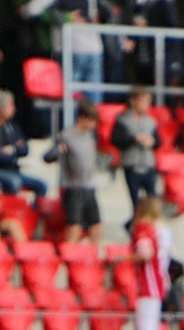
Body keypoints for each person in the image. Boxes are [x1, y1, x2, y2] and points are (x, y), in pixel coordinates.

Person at [44, 100, 102, 244]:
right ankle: (70, 256)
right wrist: (58, 151)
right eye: (91, 121)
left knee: (96, 225)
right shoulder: (66, 136)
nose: (93, 126)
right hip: (73, 186)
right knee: (74, 225)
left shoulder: (89, 136)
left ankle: (96, 257)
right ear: (82, 118)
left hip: (88, 185)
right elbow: (47, 156)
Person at [0, 89, 46, 198]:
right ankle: (11, 211)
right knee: (14, 182)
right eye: (10, 106)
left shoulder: (12, 127)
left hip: (13, 169)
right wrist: (15, 148)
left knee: (42, 185)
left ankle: (37, 214)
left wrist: (12, 149)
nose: (14, 109)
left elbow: (25, 149)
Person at [129, 196, 172, 330]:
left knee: (145, 325)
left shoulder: (143, 228)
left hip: (149, 280)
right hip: (159, 277)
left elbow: (145, 253)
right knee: (151, 323)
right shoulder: (161, 229)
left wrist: (124, 258)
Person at [111, 86, 158, 214]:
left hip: (148, 164)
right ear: (133, 101)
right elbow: (116, 140)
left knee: (153, 199)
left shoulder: (150, 121)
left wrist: (151, 141)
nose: (147, 105)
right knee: (136, 202)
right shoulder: (122, 120)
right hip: (131, 165)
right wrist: (134, 139)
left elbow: (158, 142)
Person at [67, 3, 107, 102]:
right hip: (78, 48)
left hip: (89, 48)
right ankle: (76, 116)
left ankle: (91, 116)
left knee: (90, 92)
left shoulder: (97, 4)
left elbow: (107, 13)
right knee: (75, 92)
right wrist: (67, 17)